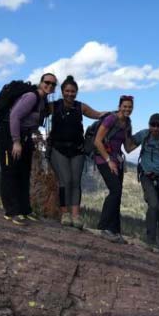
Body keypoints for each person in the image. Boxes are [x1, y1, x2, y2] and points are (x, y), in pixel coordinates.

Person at [0, 73, 57, 226]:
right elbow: (14, 117)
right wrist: (16, 142)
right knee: (10, 171)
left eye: (53, 84)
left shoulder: (42, 101)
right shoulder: (31, 97)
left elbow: (31, 122)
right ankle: (12, 211)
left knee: (24, 172)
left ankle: (24, 209)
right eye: (47, 82)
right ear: (41, 82)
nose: (49, 85)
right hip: (8, 135)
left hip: (24, 137)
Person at [48, 75, 103, 229]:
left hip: (77, 149)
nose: (70, 94)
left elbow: (97, 114)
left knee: (75, 182)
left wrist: (114, 114)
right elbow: (38, 111)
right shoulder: (54, 106)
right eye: (67, 91)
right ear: (62, 91)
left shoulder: (81, 107)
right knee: (65, 181)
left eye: (73, 91)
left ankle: (76, 216)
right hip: (59, 148)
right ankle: (65, 214)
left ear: (76, 92)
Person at [130, 113, 159, 254]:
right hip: (147, 176)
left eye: (158, 126)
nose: (155, 128)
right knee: (154, 205)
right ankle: (150, 241)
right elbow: (128, 145)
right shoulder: (144, 135)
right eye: (152, 125)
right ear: (149, 125)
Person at [94, 95, 135, 243]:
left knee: (117, 194)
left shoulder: (127, 123)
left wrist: (144, 137)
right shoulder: (111, 119)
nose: (127, 109)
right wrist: (108, 160)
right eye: (125, 106)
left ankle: (115, 231)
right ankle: (104, 227)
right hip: (103, 159)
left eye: (130, 107)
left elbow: (129, 148)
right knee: (115, 191)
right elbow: (97, 141)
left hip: (117, 161)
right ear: (119, 106)